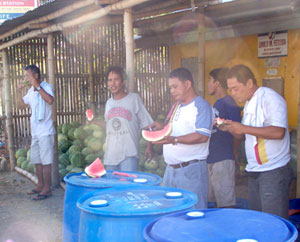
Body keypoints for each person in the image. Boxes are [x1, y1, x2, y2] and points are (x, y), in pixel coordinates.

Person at [221, 64, 292, 218]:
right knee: (258, 219)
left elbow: (279, 132)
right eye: (230, 89)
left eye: (236, 88)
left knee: (274, 222)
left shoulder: (270, 99)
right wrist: (232, 128)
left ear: (249, 83)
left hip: (273, 171)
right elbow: (248, 134)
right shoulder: (248, 103)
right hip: (255, 170)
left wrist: (243, 128)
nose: (232, 93)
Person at [151, 67, 213, 209]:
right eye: (170, 88)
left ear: (187, 84)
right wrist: (161, 127)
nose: (172, 91)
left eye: (175, 86)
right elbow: (172, 129)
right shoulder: (176, 106)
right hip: (170, 171)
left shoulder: (201, 106)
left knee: (194, 212)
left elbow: (202, 136)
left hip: (191, 170)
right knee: (169, 212)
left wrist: (175, 140)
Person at [103, 66, 154, 171]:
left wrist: (149, 146)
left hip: (129, 155)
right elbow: (108, 126)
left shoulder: (134, 99)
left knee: (128, 187)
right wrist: (93, 121)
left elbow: (147, 123)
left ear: (123, 82)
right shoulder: (108, 103)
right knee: (111, 187)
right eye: (110, 80)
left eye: (116, 79)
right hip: (110, 157)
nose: (113, 83)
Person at [17, 65, 55, 200]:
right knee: (37, 161)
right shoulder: (30, 92)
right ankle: (40, 185)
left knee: (46, 162)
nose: (25, 78)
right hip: (36, 133)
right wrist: (19, 92)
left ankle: (47, 189)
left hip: (46, 131)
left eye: (27, 75)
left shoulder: (46, 87)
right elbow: (21, 107)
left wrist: (38, 87)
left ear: (36, 76)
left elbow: (50, 100)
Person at [207, 67, 242, 208]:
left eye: (210, 80)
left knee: (225, 203)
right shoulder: (217, 103)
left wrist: (234, 152)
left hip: (223, 158)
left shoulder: (230, 103)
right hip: (212, 157)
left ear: (217, 83)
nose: (208, 84)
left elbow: (238, 133)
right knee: (213, 201)